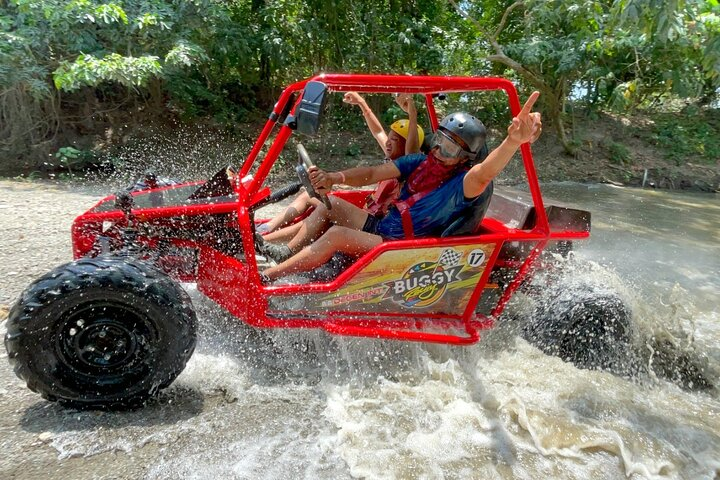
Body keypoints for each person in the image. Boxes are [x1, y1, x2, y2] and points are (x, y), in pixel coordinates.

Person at [260, 91, 542, 284]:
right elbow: (372, 172)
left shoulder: (464, 184)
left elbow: (486, 172)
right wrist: (334, 177)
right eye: (440, 142)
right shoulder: (418, 161)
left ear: (464, 159)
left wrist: (513, 142)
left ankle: (269, 277)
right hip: (383, 227)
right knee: (324, 204)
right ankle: (285, 255)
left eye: (451, 149)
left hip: (400, 248)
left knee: (335, 235)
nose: (441, 151)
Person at [256, 92, 424, 238]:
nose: (388, 142)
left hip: (373, 224)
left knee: (324, 214)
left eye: (395, 140)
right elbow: (378, 131)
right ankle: (265, 228)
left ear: (406, 144)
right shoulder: (391, 159)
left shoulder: (409, 168)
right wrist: (362, 103)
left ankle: (262, 241)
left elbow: (412, 153)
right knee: (309, 197)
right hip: (365, 214)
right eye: (390, 137)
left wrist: (412, 111)